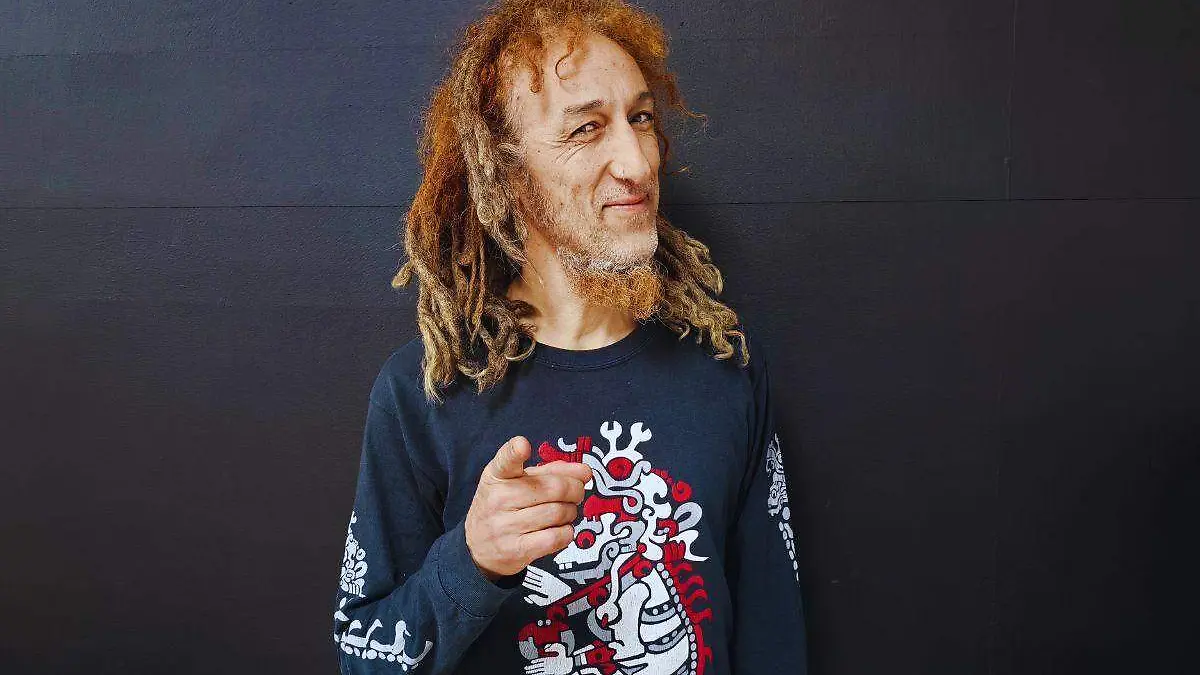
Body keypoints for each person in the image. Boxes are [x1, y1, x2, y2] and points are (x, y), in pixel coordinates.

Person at [330, 1, 806, 673]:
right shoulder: (423, 393)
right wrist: (470, 562)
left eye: (641, 119)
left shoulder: (726, 372)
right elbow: (362, 657)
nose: (636, 162)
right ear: (507, 172)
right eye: (587, 128)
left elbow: (775, 639)